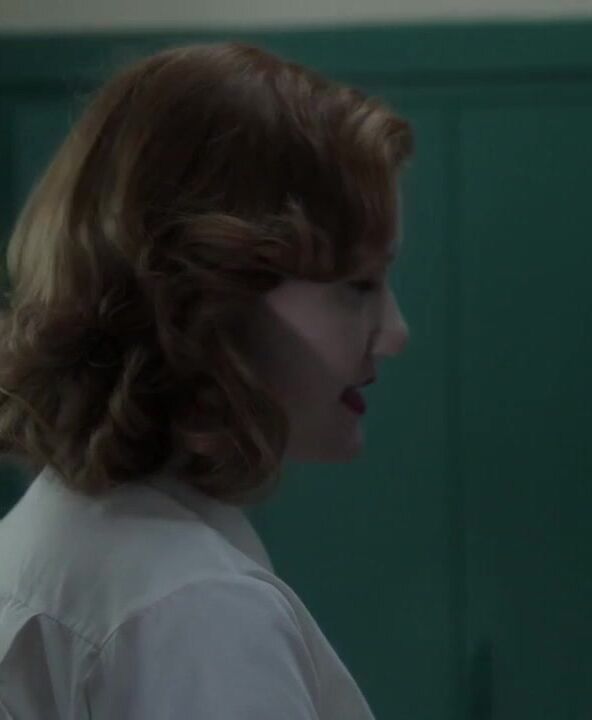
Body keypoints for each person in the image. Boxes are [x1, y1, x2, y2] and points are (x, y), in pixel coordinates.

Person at [0, 42, 411, 718]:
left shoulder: (64, 535)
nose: (395, 332)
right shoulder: (193, 609)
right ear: (204, 300)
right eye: (357, 286)